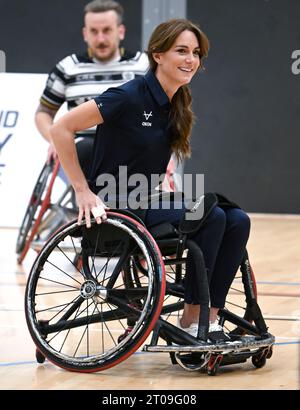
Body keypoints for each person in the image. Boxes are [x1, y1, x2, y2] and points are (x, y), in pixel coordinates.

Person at [50, 18, 251, 340]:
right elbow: (60, 128)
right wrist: (82, 191)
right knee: (210, 216)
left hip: (145, 198)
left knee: (237, 219)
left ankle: (209, 317)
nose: (191, 60)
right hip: (114, 205)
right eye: (181, 51)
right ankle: (192, 316)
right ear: (157, 55)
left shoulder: (176, 103)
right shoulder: (128, 96)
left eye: (196, 53)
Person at [35, 0, 148, 172]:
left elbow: (168, 112)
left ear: (121, 31)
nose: (100, 39)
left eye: (107, 30)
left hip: (134, 148)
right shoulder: (68, 68)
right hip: (84, 153)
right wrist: (55, 139)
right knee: (85, 149)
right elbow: (43, 113)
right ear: (85, 33)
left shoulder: (144, 66)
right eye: (94, 31)